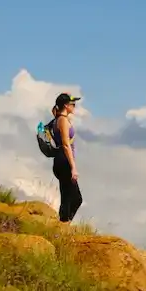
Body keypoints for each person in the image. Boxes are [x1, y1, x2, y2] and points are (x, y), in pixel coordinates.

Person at [51, 93, 83, 223]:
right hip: (64, 160)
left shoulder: (58, 119)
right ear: (66, 105)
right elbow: (65, 144)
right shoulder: (62, 121)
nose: (74, 106)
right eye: (72, 104)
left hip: (61, 160)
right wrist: (73, 167)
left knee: (68, 196)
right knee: (73, 199)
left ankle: (63, 224)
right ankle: (63, 225)